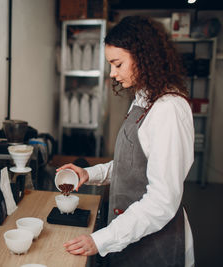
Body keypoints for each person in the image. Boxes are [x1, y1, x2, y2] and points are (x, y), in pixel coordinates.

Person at [58, 16, 195, 267]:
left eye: (118, 64)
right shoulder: (143, 100)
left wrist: (102, 239)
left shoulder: (169, 109)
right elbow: (131, 164)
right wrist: (88, 174)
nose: (113, 73)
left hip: (155, 244)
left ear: (143, 56)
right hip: (130, 235)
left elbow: (162, 201)